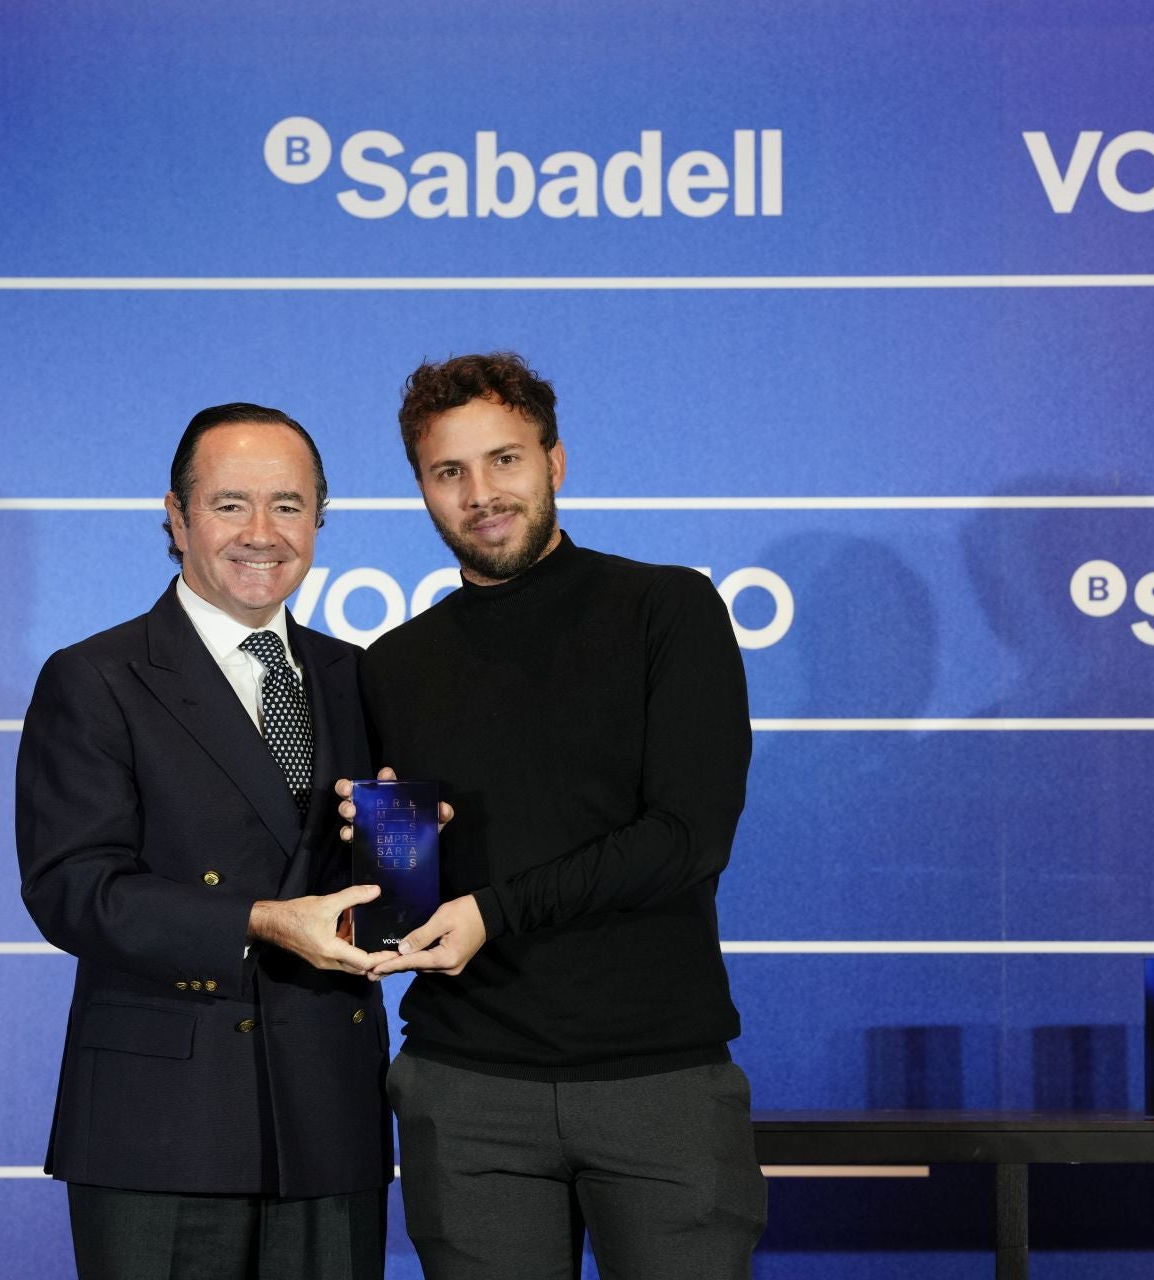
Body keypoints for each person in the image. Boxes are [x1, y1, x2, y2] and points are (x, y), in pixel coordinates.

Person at [347, 352, 766, 1279]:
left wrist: (495, 911)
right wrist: (375, 849)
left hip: (655, 1083)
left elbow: (688, 838)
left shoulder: (667, 609)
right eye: (448, 471)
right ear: (420, 486)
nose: (481, 493)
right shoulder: (393, 664)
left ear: (556, 462)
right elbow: (397, 877)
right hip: (465, 1090)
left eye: (506, 460)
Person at [16, 404, 394, 1280]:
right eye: (230, 505)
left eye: (290, 506)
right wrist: (259, 919)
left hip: (330, 1117)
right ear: (177, 519)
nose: (262, 534)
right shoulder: (96, 676)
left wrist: (416, 851)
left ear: (320, 522)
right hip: (164, 1126)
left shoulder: (357, 676)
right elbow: (74, 888)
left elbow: (369, 876)